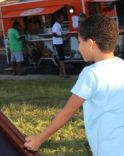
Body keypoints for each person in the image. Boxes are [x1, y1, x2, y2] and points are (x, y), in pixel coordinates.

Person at [24, 15, 124, 155]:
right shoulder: (121, 66)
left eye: (79, 42)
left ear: (90, 44)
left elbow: (67, 113)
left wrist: (38, 139)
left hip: (109, 149)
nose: (79, 48)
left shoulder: (91, 74)